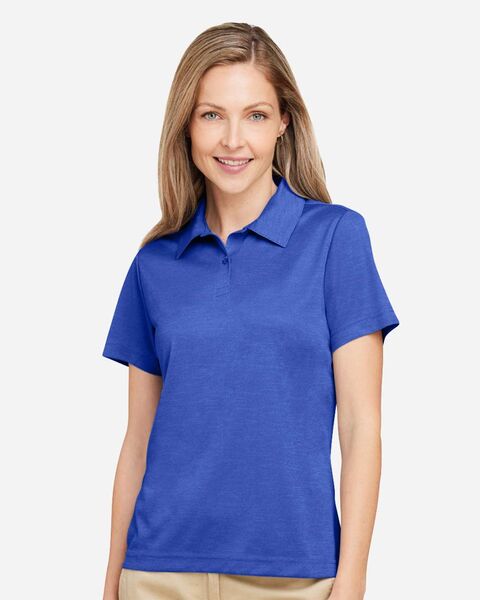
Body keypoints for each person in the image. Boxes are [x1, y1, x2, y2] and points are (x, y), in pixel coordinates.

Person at [101, 22, 400, 600]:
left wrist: (353, 580)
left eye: (256, 115)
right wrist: (112, 581)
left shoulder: (336, 238)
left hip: (295, 575)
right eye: (212, 115)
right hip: (159, 571)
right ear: (186, 126)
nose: (233, 139)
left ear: (284, 122)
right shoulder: (154, 263)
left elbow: (362, 426)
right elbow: (137, 440)